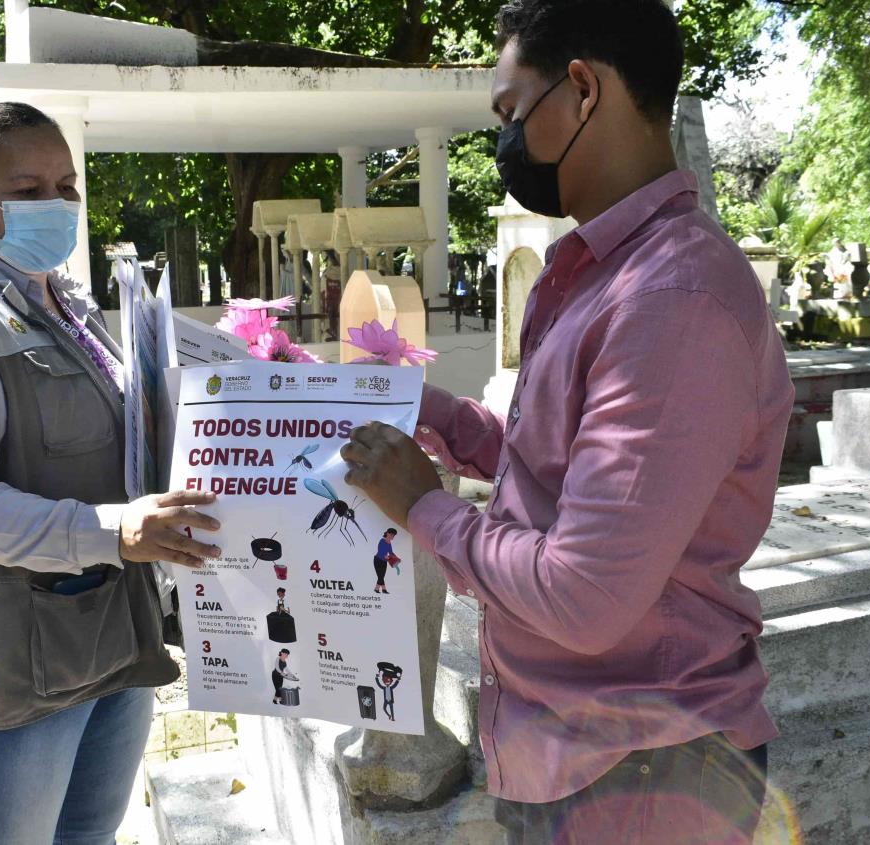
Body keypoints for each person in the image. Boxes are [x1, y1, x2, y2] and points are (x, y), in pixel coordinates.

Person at [340, 2, 793, 843]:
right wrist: (410, 409)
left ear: (581, 89)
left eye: (511, 112)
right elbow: (549, 466)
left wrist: (423, 507)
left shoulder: (671, 300)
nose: (502, 140)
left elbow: (583, 594)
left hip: (643, 770)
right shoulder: (600, 273)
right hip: (579, 754)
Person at [0, 102, 221, 845]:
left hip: (106, 635)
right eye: (27, 189)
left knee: (89, 834)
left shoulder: (65, 304)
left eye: (65, 187)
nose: (55, 206)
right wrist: (116, 528)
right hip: (4, 666)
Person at [373, 528, 397, 594]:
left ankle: (376, 589)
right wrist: (387, 557)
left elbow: (390, 552)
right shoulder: (382, 541)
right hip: (377, 560)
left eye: (394, 535)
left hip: (384, 561)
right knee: (380, 576)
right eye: (392, 535)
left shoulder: (389, 543)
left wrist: (395, 557)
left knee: (381, 576)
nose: (393, 536)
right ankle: (384, 589)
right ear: (387, 533)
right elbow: (381, 552)